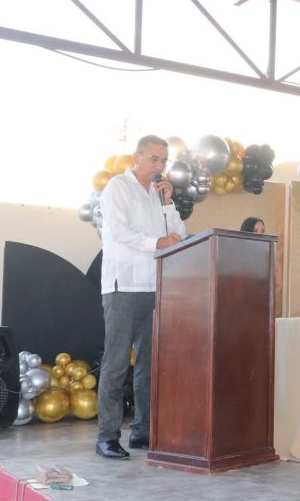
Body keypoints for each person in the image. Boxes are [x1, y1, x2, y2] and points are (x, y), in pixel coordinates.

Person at [96, 135, 186, 460]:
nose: (160, 166)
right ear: (137, 157)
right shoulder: (118, 187)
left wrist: (168, 203)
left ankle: (142, 431)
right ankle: (106, 436)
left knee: (149, 364)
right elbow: (118, 232)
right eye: (154, 159)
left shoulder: (158, 195)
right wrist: (157, 243)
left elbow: (180, 235)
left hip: (152, 286)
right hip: (123, 285)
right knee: (117, 363)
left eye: (164, 161)